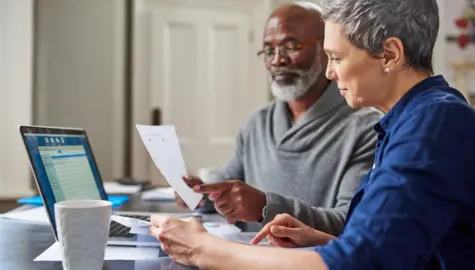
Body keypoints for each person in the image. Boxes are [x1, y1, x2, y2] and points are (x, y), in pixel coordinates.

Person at [150, 0, 475, 269]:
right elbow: (394, 249)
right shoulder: (408, 120)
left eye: (336, 57)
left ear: (389, 54)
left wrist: (203, 249)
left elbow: (363, 262)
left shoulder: (433, 122)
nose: (330, 72)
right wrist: (322, 240)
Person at [175, 1, 382, 235]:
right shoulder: (257, 123)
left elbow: (351, 221)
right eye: (269, 50)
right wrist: (201, 194)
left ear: (327, 49)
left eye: (290, 46)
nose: (277, 60)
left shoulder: (367, 128)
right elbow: (227, 188)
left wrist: (266, 207)